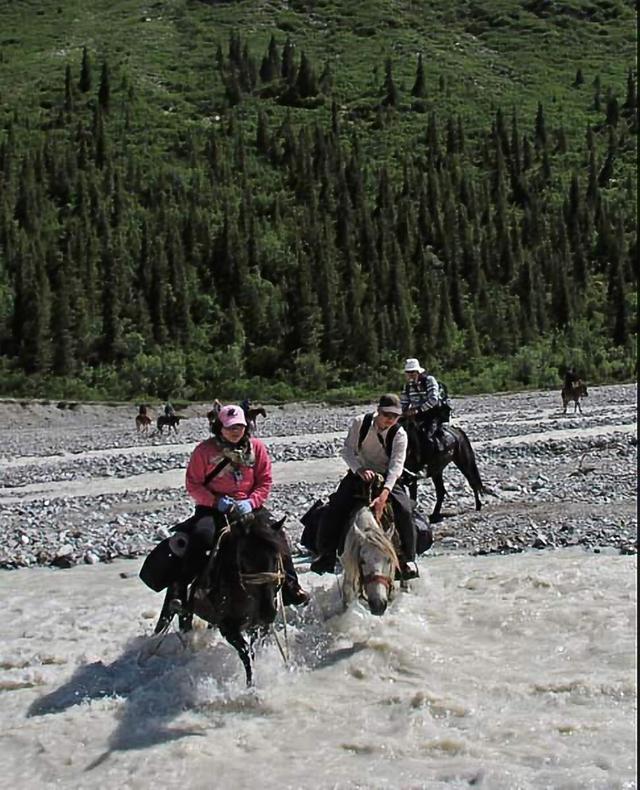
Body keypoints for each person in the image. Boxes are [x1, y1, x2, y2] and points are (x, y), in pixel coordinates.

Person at [168, 404, 309, 606]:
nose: (235, 432)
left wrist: (251, 502)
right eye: (230, 427)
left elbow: (264, 481)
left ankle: (291, 586)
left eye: (239, 427)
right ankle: (180, 592)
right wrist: (216, 501)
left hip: (249, 505)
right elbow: (193, 484)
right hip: (213, 508)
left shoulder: (257, 448)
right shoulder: (204, 451)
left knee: (277, 535)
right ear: (219, 427)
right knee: (200, 537)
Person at [310, 393, 418, 580]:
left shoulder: (399, 434)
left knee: (405, 510)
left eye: (395, 416)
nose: (390, 420)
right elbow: (347, 451)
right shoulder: (360, 423)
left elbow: (396, 466)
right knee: (333, 509)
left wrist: (384, 494)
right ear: (378, 411)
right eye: (387, 415)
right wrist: (359, 469)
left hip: (386, 478)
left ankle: (407, 559)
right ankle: (326, 555)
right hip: (359, 475)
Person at [400, 357, 443, 452]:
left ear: (418, 372)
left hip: (432, 413)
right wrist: (402, 412)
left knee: (427, 437)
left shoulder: (429, 380)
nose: (410, 375)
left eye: (413, 372)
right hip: (416, 415)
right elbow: (404, 402)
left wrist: (418, 410)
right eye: (408, 372)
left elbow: (434, 399)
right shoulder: (407, 386)